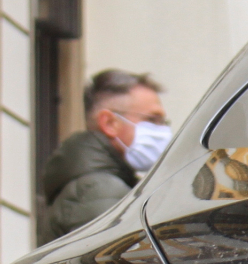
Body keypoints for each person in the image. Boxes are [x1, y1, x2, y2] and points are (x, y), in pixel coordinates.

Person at [37, 70, 171, 243]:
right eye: (153, 120)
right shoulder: (99, 190)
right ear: (109, 123)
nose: (163, 131)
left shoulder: (95, 184)